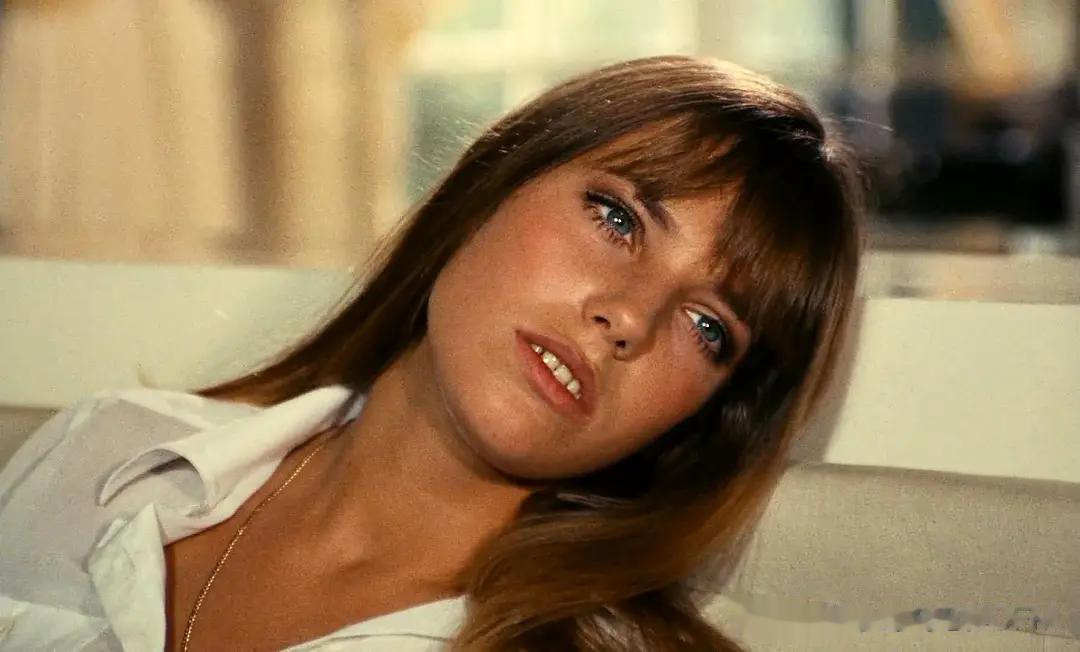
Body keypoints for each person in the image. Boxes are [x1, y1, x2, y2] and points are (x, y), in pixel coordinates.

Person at [0, 55, 863, 651]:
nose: (630, 317)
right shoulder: (105, 452)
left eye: (709, 328)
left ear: (707, 418)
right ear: (493, 185)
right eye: (618, 219)